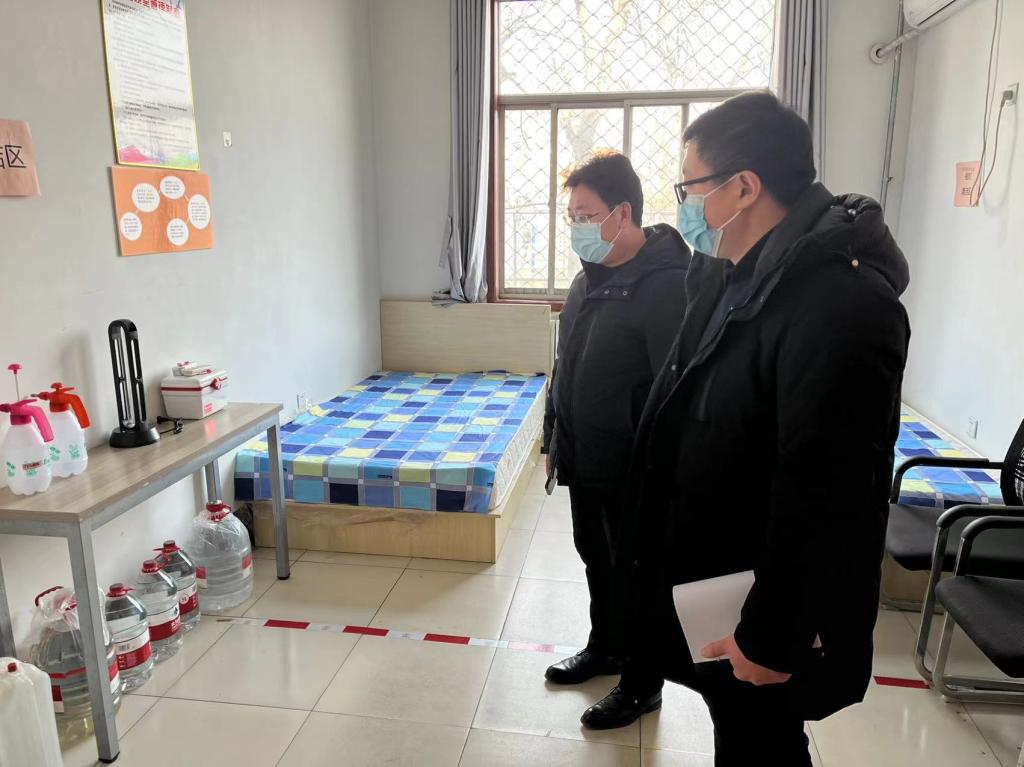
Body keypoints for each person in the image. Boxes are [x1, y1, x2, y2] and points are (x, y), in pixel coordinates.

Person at [585, 91, 911, 766]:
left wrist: (771, 636)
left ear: (743, 187)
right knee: (741, 733)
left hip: (763, 608)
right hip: (716, 585)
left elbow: (826, 496)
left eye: (689, 186)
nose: (682, 205)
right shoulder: (729, 274)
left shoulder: (842, 306)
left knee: (763, 743)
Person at [541, 151, 691, 713]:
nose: (576, 227)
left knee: (639, 574)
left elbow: (674, 391)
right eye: (571, 217)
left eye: (585, 215)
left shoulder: (667, 285)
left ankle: (643, 683)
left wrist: (657, 471)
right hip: (586, 456)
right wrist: (555, 435)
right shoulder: (587, 281)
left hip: (633, 467)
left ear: (622, 213)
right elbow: (565, 368)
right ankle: (605, 647)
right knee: (595, 558)